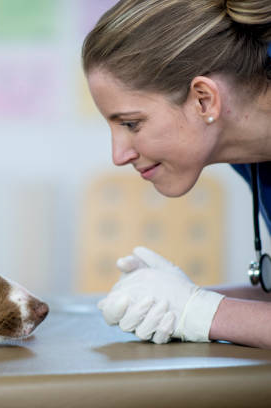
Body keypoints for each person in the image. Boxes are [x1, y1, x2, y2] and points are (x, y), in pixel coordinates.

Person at [82, 0, 271, 349]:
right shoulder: (250, 157)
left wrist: (201, 311)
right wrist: (171, 300)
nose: (118, 155)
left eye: (131, 123)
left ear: (203, 100)